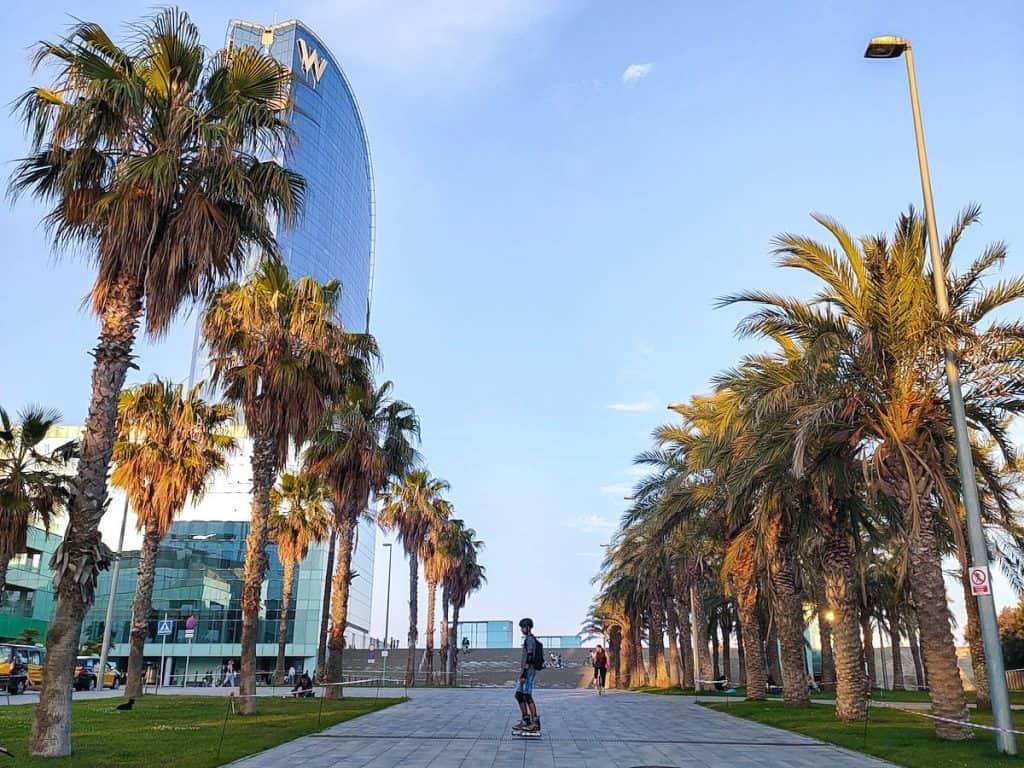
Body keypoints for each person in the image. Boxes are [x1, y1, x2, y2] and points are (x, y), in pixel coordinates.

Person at [512, 617, 541, 735]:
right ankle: (526, 720)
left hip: (528, 672)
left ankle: (535, 723)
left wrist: (524, 673)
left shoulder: (530, 640)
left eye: (523, 627)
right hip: (526, 671)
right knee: (519, 695)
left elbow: (529, 656)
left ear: (528, 627)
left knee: (527, 696)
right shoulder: (528, 639)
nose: (521, 629)